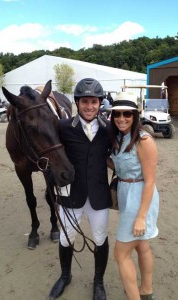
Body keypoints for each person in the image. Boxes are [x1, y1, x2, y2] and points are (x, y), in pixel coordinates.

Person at [49, 78, 112, 300]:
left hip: (98, 195)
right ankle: (65, 276)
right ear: (77, 102)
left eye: (94, 101)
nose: (89, 106)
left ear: (99, 103)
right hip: (69, 194)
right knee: (66, 239)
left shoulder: (109, 128)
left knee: (100, 238)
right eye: (85, 101)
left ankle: (98, 282)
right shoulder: (64, 127)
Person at [108, 92, 159, 300]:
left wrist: (141, 217)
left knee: (121, 254)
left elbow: (150, 180)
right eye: (117, 114)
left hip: (140, 197)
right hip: (126, 191)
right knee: (141, 245)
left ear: (134, 115)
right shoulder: (120, 137)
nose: (121, 118)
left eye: (127, 114)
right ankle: (146, 291)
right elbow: (120, 166)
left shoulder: (144, 140)